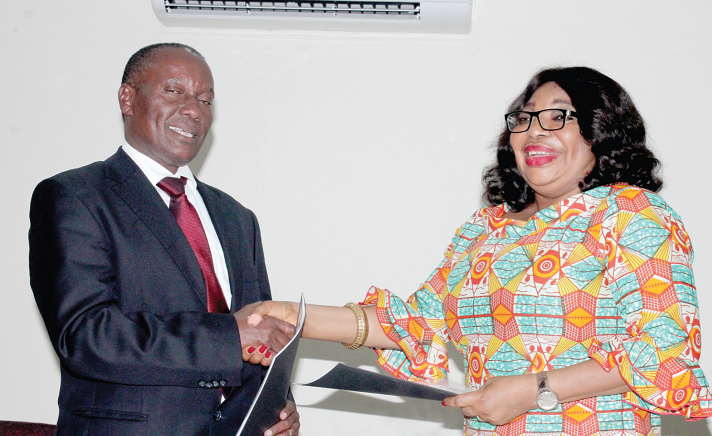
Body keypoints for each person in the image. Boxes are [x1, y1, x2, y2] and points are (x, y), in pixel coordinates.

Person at [247, 66, 712, 435]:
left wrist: (535, 390)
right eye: (524, 118)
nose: (534, 131)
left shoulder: (632, 214)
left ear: (599, 131)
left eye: (558, 117)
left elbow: (666, 349)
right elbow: (411, 322)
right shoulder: (483, 230)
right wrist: (294, 315)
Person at [29, 43, 300, 436]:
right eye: (175, 91)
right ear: (127, 98)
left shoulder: (238, 219)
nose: (194, 109)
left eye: (206, 100)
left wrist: (278, 406)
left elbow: (261, 333)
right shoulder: (75, 197)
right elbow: (87, 335)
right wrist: (229, 337)